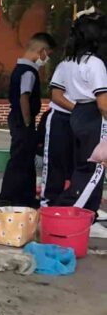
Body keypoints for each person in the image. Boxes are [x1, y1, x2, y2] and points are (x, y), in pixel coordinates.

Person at [51, 13, 107, 213]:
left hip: (77, 113)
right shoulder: (95, 64)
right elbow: (103, 103)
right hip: (94, 115)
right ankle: (68, 212)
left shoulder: (68, 62)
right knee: (94, 170)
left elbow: (57, 93)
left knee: (81, 167)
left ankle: (84, 212)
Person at [0, 33, 57, 208]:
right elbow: (24, 96)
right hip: (22, 120)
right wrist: (28, 121)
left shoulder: (21, 68)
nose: (47, 59)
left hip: (20, 119)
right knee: (18, 159)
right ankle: (6, 197)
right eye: (48, 54)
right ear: (41, 51)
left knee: (26, 159)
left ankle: (26, 196)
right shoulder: (28, 72)